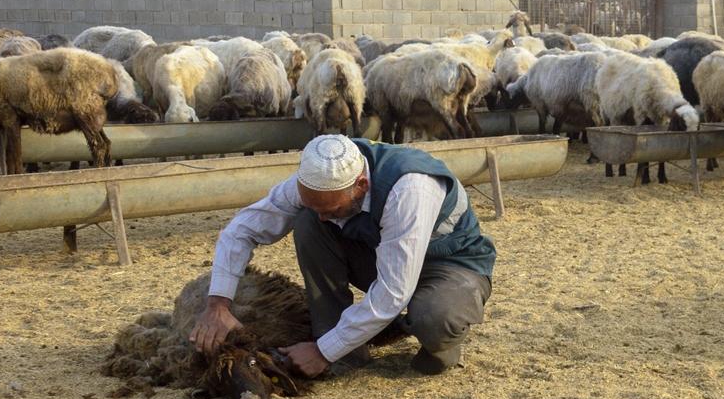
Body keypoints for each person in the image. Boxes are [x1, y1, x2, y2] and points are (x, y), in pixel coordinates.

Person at [190, 134, 496, 378]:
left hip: (448, 265)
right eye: (317, 204)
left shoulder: (410, 189)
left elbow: (393, 292)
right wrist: (218, 304)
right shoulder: (319, 178)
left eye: (333, 209)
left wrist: (322, 352)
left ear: (361, 185)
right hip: (382, 254)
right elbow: (241, 230)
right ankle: (344, 347)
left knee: (435, 318)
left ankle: (433, 342)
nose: (325, 217)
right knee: (308, 223)